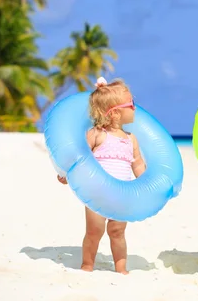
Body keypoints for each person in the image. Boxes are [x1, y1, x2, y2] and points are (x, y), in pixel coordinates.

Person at [57, 77, 146, 274]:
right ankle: (87, 264)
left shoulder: (131, 139)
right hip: (97, 193)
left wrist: (147, 184)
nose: (135, 108)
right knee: (94, 232)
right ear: (114, 114)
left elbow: (138, 163)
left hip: (122, 194)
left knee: (118, 232)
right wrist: (67, 173)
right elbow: (80, 158)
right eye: (131, 104)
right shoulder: (97, 134)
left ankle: (121, 268)